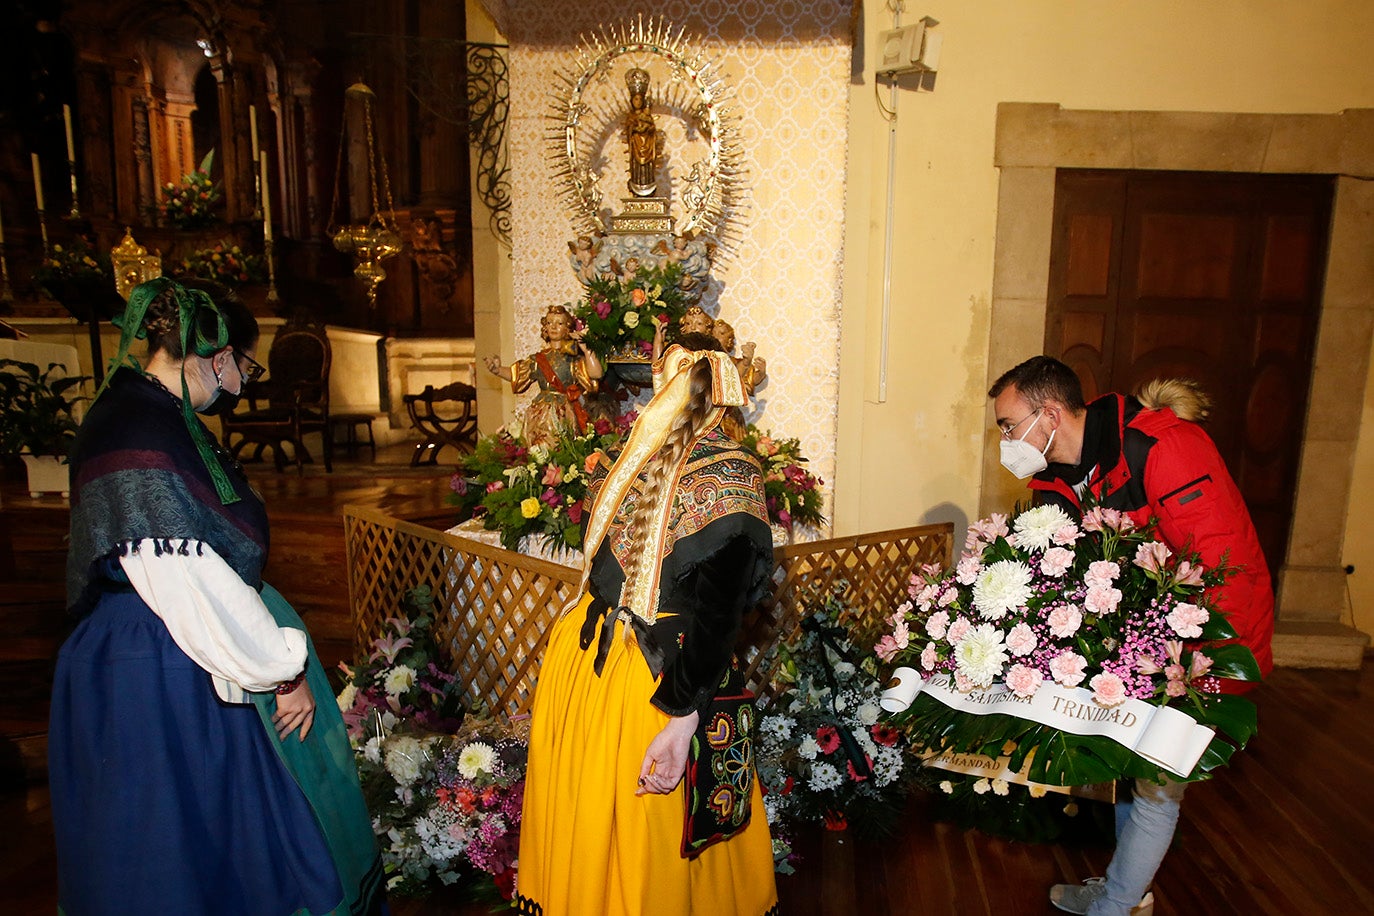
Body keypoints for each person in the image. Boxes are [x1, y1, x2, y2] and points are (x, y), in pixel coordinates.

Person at [49, 278, 385, 916]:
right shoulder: (138, 432)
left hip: (156, 641)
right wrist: (281, 671)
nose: (239, 384)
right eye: (241, 365)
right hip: (166, 662)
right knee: (183, 833)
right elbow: (183, 575)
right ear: (216, 354)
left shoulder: (142, 411)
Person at [988, 355, 1274, 916]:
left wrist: (1188, 669)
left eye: (1007, 425)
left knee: (1158, 780)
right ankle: (1127, 888)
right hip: (1143, 636)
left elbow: (1222, 568)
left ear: (1048, 414)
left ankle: (1115, 906)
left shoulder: (1163, 448)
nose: (1004, 440)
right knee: (1133, 764)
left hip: (1209, 639)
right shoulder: (1054, 481)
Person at [517, 341, 779, 916]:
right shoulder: (732, 474)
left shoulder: (635, 458)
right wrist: (685, 716)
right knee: (647, 832)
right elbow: (719, 621)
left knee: (605, 818)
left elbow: (703, 615)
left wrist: (681, 717)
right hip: (644, 679)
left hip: (608, 671)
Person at [484, 303, 604, 448]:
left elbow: (595, 373)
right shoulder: (538, 359)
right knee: (538, 446)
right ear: (545, 327)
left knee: (562, 445)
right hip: (540, 412)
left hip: (564, 410)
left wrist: (587, 350)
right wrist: (497, 370)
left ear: (567, 328)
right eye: (549, 322)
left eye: (559, 323)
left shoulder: (573, 359)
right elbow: (518, 374)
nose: (553, 327)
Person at [624, 67, 659, 198]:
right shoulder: (631, 117)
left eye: (639, 99)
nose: (637, 102)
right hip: (636, 147)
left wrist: (647, 129)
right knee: (636, 166)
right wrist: (635, 130)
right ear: (631, 101)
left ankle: (648, 187)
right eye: (635, 99)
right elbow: (628, 130)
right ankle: (637, 187)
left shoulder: (647, 116)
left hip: (648, 148)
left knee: (648, 167)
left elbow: (652, 130)